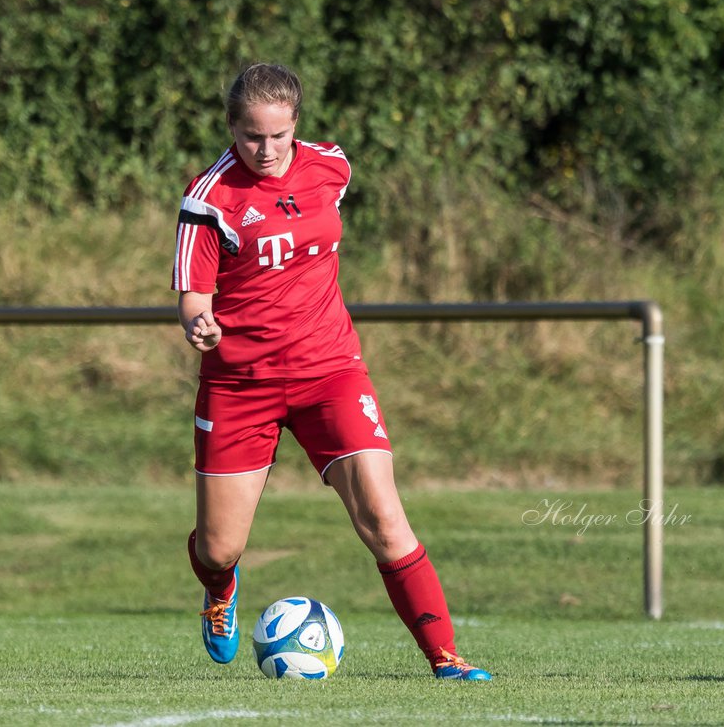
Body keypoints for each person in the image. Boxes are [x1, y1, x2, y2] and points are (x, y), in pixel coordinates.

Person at [170, 62, 491, 681]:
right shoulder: (208, 199)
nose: (264, 150)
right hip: (241, 385)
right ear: (231, 128)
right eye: (250, 137)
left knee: (384, 516)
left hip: (330, 371)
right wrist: (199, 324)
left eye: (277, 136)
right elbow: (193, 298)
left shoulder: (332, 167)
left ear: (297, 127)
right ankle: (219, 588)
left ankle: (446, 658)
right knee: (218, 546)